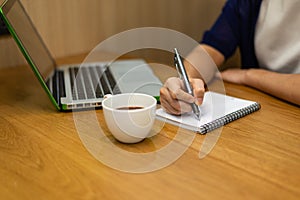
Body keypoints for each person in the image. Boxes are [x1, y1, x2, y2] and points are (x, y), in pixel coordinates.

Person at [160, 0, 300, 115]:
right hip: (263, 111)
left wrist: (249, 76)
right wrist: (187, 80)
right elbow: (211, 48)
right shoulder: (247, 3)